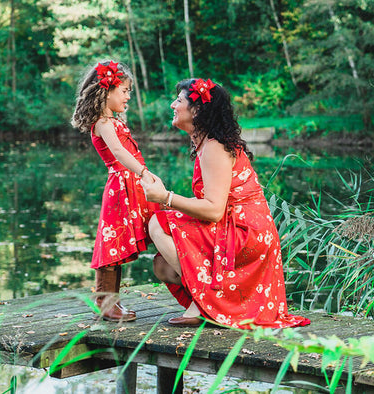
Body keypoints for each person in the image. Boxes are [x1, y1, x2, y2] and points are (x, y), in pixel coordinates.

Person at [141, 78, 310, 329]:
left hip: (245, 232)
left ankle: (206, 304)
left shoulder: (214, 147)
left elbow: (214, 210)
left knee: (159, 223)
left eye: (178, 101)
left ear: (197, 110)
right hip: (234, 227)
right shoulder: (206, 144)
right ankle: (208, 302)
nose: (172, 105)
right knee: (163, 266)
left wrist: (166, 198)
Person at [72, 60, 158, 322]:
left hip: (132, 186)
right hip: (120, 187)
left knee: (127, 242)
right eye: (124, 90)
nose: (128, 96)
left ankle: (113, 302)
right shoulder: (102, 123)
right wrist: (144, 172)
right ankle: (105, 302)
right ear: (105, 92)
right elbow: (119, 152)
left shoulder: (114, 121)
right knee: (112, 244)